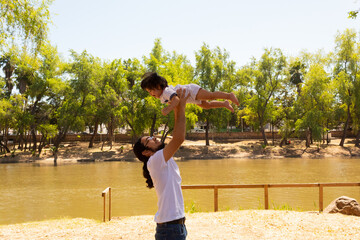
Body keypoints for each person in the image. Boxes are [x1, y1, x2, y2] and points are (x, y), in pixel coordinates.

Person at [133, 88, 189, 240]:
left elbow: (177, 137)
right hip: (170, 229)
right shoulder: (155, 160)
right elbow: (179, 138)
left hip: (175, 227)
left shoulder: (162, 159)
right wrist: (180, 106)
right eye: (148, 139)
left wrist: (176, 105)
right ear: (145, 152)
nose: (154, 138)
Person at [141, 72, 240, 116]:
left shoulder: (166, 91)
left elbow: (176, 100)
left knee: (210, 95)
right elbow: (174, 102)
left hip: (191, 91)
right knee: (206, 106)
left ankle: (229, 95)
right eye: (148, 92)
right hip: (190, 99)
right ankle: (224, 104)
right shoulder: (162, 97)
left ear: (159, 86)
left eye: (151, 90)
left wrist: (168, 109)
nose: (150, 94)